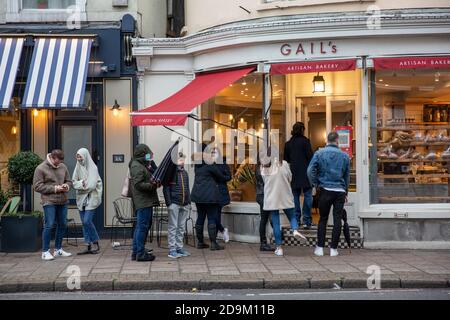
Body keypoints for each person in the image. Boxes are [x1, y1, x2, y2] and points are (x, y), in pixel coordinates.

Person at [307, 131, 350, 257]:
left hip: (325, 189)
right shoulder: (344, 156)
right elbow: (347, 177)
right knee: (337, 220)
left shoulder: (319, 153)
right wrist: (345, 190)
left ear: (327, 141)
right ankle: (333, 249)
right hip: (339, 191)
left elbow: (310, 171)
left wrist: (315, 183)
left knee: (323, 219)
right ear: (337, 141)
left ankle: (320, 248)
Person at [260, 147, 306, 256]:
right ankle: (295, 230)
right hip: (285, 194)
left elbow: (264, 181)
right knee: (292, 216)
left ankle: (279, 248)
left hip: (272, 196)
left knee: (276, 222)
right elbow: (290, 177)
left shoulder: (264, 167)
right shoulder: (284, 164)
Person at [33, 149, 72, 261]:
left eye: (60, 161)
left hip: (63, 200)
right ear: (52, 157)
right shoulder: (40, 168)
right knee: (49, 225)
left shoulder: (63, 167)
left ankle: (58, 250)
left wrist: (66, 186)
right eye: (57, 161)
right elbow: (37, 186)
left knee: (63, 224)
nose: (58, 164)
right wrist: (55, 188)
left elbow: (69, 181)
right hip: (49, 201)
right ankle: (45, 252)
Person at [191, 144, 230, 250]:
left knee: (200, 218)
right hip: (210, 196)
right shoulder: (210, 164)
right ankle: (213, 244)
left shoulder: (197, 164)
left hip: (198, 196)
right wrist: (225, 176)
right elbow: (221, 176)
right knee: (212, 218)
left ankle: (200, 242)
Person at [129, 144, 159, 262]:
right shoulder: (137, 166)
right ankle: (140, 254)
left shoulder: (141, 164)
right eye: (147, 154)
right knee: (142, 227)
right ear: (141, 154)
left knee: (140, 227)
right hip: (143, 201)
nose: (149, 156)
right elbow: (138, 184)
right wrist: (152, 185)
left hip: (145, 200)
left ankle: (136, 251)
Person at [284, 122, 314, 229]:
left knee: (295, 197)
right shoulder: (306, 142)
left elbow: (286, 160)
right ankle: (306, 220)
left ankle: (296, 219)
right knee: (308, 196)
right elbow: (311, 158)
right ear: (302, 130)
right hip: (306, 173)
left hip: (294, 173)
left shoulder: (288, 144)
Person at [72, 148, 102, 255]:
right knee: (84, 223)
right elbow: (74, 182)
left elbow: (92, 185)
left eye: (80, 156)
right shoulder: (77, 166)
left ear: (85, 156)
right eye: (77, 156)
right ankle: (87, 245)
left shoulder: (93, 168)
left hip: (92, 198)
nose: (79, 158)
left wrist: (82, 186)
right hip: (81, 199)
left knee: (86, 221)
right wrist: (82, 184)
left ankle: (96, 242)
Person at [163, 152, 191, 259]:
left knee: (181, 227)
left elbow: (187, 188)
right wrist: (169, 203)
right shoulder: (170, 173)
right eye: (180, 159)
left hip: (184, 204)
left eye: (183, 159)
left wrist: (189, 201)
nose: (182, 161)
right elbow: (166, 188)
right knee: (173, 227)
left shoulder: (185, 173)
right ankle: (172, 249)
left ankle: (179, 248)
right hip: (174, 203)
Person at [212, 148, 231, 243]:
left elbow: (229, 176)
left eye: (215, 152)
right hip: (210, 193)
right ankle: (222, 230)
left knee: (216, 215)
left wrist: (220, 177)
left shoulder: (223, 164)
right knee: (214, 216)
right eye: (212, 153)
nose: (213, 154)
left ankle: (215, 237)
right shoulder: (209, 164)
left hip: (220, 193)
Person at [255, 161, 274, 252]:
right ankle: (263, 243)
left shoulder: (260, 168)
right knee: (264, 219)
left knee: (267, 218)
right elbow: (267, 182)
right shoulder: (262, 169)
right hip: (263, 196)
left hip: (262, 195)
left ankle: (267, 241)